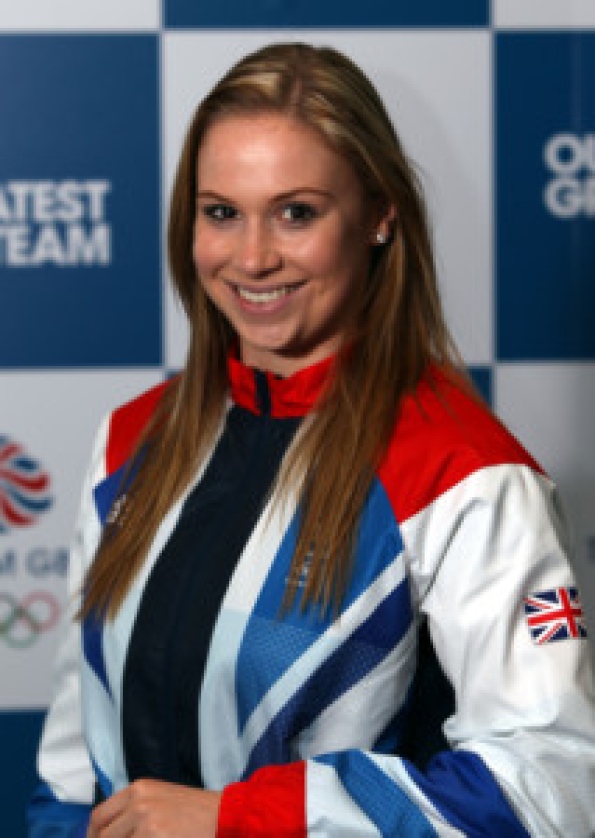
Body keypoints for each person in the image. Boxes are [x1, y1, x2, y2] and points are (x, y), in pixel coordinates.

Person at [29, 42, 595, 837]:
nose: (252, 257)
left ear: (379, 216)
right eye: (221, 212)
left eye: (296, 212)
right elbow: (71, 764)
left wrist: (241, 820)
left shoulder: (461, 471)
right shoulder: (132, 439)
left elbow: (552, 782)